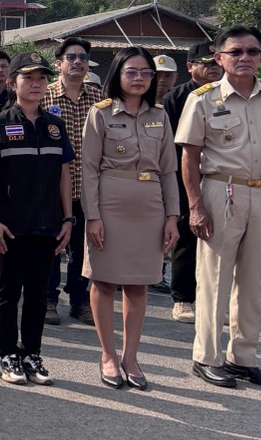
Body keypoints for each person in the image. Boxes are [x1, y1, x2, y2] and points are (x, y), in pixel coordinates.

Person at [176, 25, 261, 389]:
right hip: (222, 191)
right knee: (214, 279)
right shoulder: (203, 99)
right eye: (236, 52)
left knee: (254, 281)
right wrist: (196, 206)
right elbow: (188, 155)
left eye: (253, 52)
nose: (245, 58)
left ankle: (243, 358)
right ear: (218, 58)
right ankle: (207, 357)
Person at [80, 48, 180, 390]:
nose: (139, 78)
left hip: (150, 205)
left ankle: (130, 356)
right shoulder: (101, 113)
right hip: (110, 203)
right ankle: (107, 354)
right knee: (104, 281)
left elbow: (169, 170)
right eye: (131, 72)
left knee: (139, 284)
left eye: (146, 73)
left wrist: (172, 216)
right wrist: (92, 216)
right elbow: (88, 169)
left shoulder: (160, 116)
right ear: (118, 75)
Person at [0, 52, 73, 386]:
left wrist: (68, 219)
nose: (35, 84)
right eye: (28, 78)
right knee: (8, 291)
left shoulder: (55, 126)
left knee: (38, 293)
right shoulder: (0, 123)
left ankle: (32, 353)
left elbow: (64, 175)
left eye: (41, 78)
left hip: (48, 225)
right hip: (11, 225)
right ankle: (7, 355)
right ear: (12, 82)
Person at [41, 37, 103, 326]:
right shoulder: (45, 96)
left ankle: (80, 301)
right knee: (52, 247)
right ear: (59, 63)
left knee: (84, 249)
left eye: (82, 57)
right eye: (71, 57)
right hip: (54, 187)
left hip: (90, 188)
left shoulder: (99, 98)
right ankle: (48, 299)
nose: (77, 61)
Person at [160, 43, 223, 320]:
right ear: (190, 67)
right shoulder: (175, 99)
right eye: (205, 62)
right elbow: (169, 146)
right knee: (187, 237)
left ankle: (215, 300)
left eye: (216, 62)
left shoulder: (230, 95)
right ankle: (183, 299)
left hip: (223, 177)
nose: (212, 67)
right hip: (187, 176)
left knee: (222, 240)